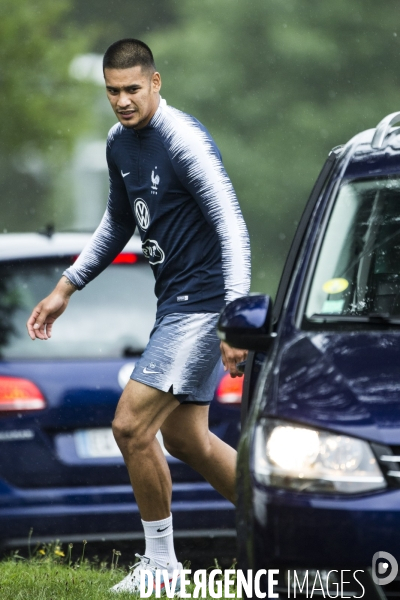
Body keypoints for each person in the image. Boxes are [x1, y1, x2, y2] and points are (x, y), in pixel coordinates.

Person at [26, 38, 251, 594]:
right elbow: (116, 223)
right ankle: (300, 518)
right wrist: (65, 286)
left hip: (202, 308)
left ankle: (162, 567)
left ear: (155, 82)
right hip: (172, 305)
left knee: (129, 425)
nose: (122, 101)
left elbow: (233, 229)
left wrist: (236, 320)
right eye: (112, 92)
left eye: (131, 89)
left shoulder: (185, 141)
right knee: (187, 440)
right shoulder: (118, 144)